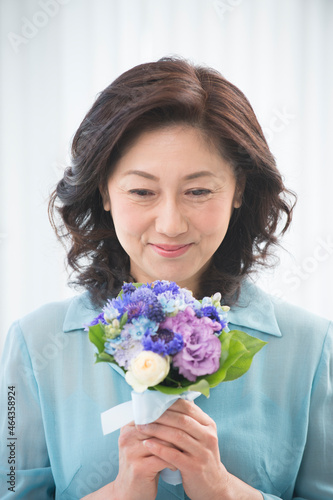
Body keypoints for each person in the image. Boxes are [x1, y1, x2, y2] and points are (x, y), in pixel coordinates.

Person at [0, 57, 332, 500]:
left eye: (198, 191)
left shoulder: (310, 349)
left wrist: (221, 489)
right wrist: (121, 492)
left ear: (238, 191)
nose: (171, 223)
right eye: (142, 191)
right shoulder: (32, 344)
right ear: (103, 191)